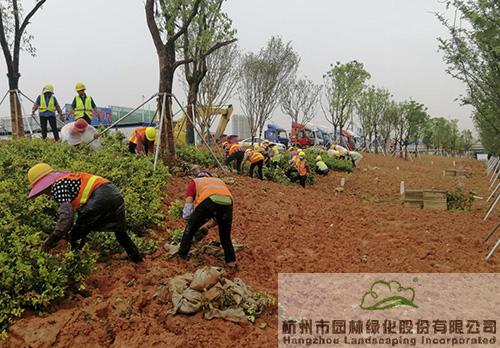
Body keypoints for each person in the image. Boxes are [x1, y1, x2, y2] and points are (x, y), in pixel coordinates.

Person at [27, 163, 143, 263]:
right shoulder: (65, 179)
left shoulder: (57, 187)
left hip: (100, 197)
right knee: (120, 231)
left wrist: (53, 238)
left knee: (76, 233)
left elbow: (67, 215)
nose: (44, 193)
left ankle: (74, 261)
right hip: (113, 193)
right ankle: (136, 258)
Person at [178, 171, 236, 268]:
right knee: (225, 236)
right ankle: (231, 262)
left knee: (189, 230)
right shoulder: (219, 181)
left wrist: (190, 221)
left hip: (209, 201)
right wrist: (206, 226)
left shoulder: (195, 182)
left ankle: (182, 256)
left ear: (198, 177)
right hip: (228, 203)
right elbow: (218, 218)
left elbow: (188, 207)